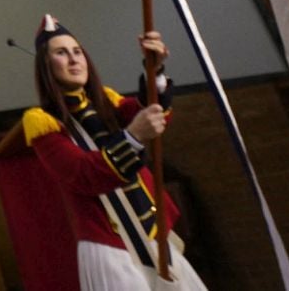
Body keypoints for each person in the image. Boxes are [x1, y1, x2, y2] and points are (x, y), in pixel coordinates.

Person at [21, 15, 207, 290]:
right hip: (109, 244)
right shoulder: (43, 121)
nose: (74, 59)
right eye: (61, 53)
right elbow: (82, 173)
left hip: (154, 235)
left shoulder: (106, 100)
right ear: (46, 65)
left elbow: (147, 112)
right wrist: (132, 137)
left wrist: (154, 70)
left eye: (77, 52)